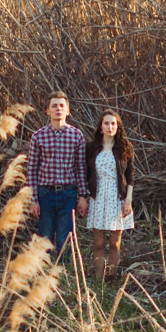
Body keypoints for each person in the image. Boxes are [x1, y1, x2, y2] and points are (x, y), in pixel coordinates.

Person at [25, 91, 90, 257]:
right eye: (54, 106)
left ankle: (64, 272)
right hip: (45, 193)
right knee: (44, 238)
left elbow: (80, 168)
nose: (58, 109)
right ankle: (43, 271)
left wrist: (82, 196)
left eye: (62, 105)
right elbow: (32, 169)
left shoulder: (76, 135)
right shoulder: (38, 136)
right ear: (48, 111)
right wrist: (33, 200)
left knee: (65, 238)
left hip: (68, 193)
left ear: (68, 110)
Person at [84, 110, 136, 281]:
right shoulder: (91, 148)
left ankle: (112, 278)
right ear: (101, 127)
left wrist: (128, 200)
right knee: (99, 242)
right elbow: (85, 173)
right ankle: (98, 281)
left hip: (117, 197)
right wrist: (84, 196)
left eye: (113, 123)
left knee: (115, 242)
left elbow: (130, 175)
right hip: (98, 197)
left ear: (118, 126)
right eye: (106, 123)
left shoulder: (125, 147)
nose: (110, 127)